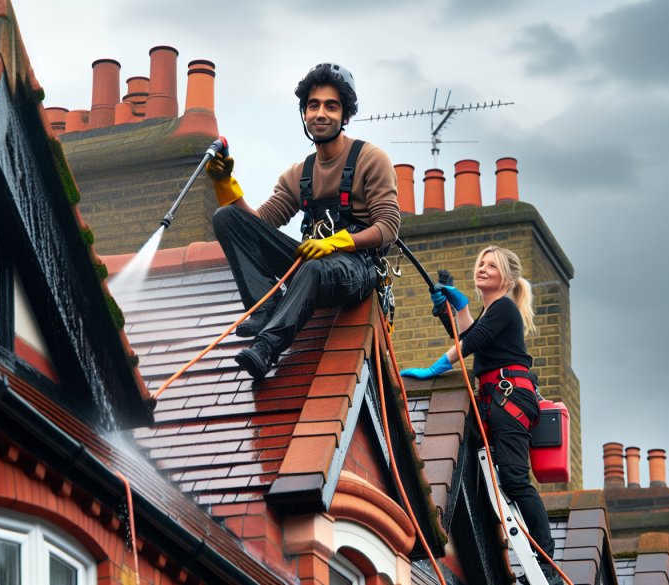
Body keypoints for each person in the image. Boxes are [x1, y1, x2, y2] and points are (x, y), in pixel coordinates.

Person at [206, 63, 400, 379]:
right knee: (228, 218)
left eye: (331, 106)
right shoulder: (300, 174)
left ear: (345, 116)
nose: (320, 113)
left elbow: (388, 227)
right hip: (313, 261)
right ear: (304, 113)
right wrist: (225, 183)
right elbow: (258, 224)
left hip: (356, 269)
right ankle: (265, 307)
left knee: (313, 266)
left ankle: (266, 348)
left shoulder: (370, 159)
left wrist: (336, 242)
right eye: (313, 105)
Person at [400, 246, 563, 585]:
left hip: (510, 399)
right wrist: (455, 309)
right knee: (499, 479)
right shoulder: (494, 311)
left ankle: (546, 564)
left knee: (516, 480)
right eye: (481, 264)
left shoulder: (504, 307)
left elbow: (473, 340)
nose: (483, 269)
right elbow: (470, 334)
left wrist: (437, 366)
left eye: (492, 265)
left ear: (507, 277)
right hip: (496, 401)